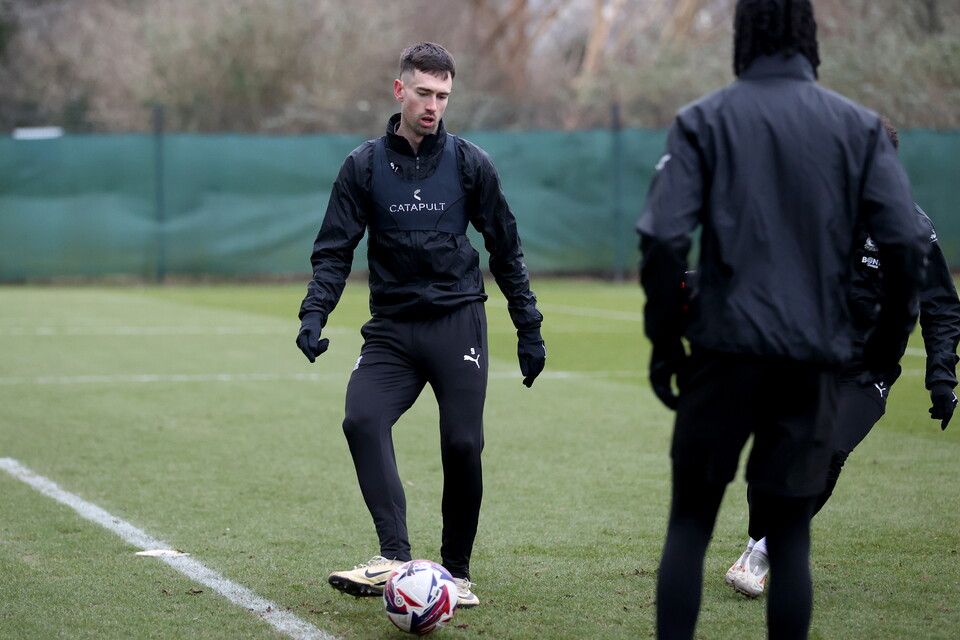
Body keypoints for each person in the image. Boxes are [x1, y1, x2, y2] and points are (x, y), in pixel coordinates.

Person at [636, 1, 929, 639]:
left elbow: (662, 240)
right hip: (811, 364)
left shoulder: (703, 119)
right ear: (810, 39)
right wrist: (883, 347)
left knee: (689, 524)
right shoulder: (855, 128)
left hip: (721, 355)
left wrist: (665, 347)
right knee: (790, 540)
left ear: (743, 36)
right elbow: (907, 242)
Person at [296, 42, 545, 609]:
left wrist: (528, 327)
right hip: (392, 329)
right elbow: (334, 250)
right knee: (361, 418)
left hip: (458, 322)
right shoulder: (362, 166)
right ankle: (394, 557)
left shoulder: (469, 163)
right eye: (425, 93)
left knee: (462, 444)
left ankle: (454, 573)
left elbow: (505, 250)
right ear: (400, 90)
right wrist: (315, 312)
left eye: (443, 96)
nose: (433, 105)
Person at [727, 120, 960, 598]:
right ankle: (758, 541)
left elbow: (941, 307)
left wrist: (940, 376)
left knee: (826, 452)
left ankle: (766, 551)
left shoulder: (913, 231)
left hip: (864, 375)